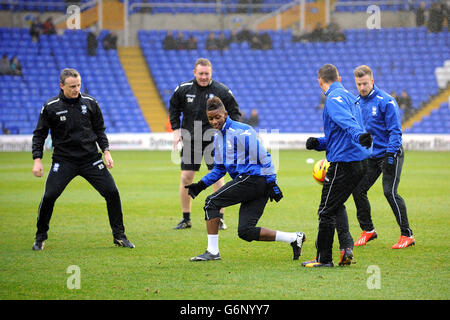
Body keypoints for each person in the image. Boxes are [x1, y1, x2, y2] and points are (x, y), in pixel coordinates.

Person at [186, 97, 306, 261]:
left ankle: (212, 252)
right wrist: (200, 185)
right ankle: (294, 238)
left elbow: (265, 156)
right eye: (211, 119)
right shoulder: (217, 138)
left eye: (217, 117)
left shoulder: (241, 131)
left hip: (254, 178)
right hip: (251, 182)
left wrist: (272, 182)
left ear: (225, 114)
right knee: (245, 231)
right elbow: (220, 168)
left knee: (211, 202)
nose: (214, 121)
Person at [31, 68, 134, 250]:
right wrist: (37, 159)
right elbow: (39, 135)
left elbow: (100, 130)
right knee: (49, 196)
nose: (76, 89)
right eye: (72, 86)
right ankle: (40, 237)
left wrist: (106, 151)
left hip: (90, 160)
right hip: (64, 161)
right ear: (61, 86)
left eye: (78, 85)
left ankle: (119, 236)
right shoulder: (51, 107)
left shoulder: (90, 103)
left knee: (112, 192)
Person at [303, 64, 372, 267]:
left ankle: (323, 259)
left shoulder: (333, 99)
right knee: (335, 205)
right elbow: (342, 131)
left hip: (344, 163)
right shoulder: (352, 98)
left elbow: (347, 123)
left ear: (320, 81)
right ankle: (346, 248)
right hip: (361, 162)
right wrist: (319, 143)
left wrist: (359, 136)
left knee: (325, 210)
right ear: (339, 78)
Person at [169, 58, 241, 230]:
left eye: (206, 74)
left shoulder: (221, 90)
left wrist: (228, 133)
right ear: (194, 72)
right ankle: (186, 218)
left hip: (214, 140)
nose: (203, 77)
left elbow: (235, 113)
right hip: (191, 139)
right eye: (200, 73)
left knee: (217, 177)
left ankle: (220, 217)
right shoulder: (183, 89)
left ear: (211, 73)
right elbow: (173, 108)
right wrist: (176, 130)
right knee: (186, 177)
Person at [351, 65, 414, 249]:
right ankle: (368, 230)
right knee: (358, 190)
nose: (362, 87)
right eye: (358, 84)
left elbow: (395, 131)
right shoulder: (357, 103)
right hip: (371, 156)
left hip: (390, 153)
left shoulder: (386, 101)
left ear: (372, 81)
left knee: (389, 192)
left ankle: (407, 235)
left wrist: (390, 154)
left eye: (364, 83)